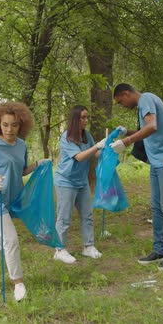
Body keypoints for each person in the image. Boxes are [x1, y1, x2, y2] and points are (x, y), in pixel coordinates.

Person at [0, 102, 49, 302]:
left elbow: (19, 170)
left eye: (13, 125)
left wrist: (37, 165)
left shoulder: (21, 145)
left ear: (20, 125)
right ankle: (18, 283)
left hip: (11, 198)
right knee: (11, 239)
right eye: (5, 125)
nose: (9, 129)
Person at [112, 83, 163, 270]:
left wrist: (127, 141)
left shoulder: (146, 99)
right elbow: (147, 129)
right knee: (156, 206)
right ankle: (160, 250)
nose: (123, 105)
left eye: (121, 101)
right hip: (158, 162)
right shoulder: (144, 104)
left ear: (126, 93)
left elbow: (152, 126)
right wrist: (126, 132)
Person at [53, 105, 106, 264]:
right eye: (83, 117)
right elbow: (80, 156)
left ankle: (88, 247)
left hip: (81, 181)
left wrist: (109, 149)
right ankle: (59, 250)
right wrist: (97, 146)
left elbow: (95, 153)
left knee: (87, 214)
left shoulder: (86, 135)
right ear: (76, 119)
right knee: (64, 217)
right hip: (65, 181)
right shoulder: (66, 137)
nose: (86, 120)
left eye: (87, 117)